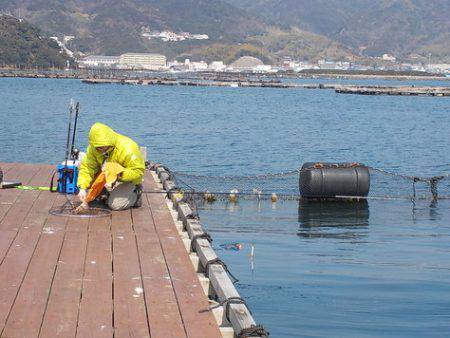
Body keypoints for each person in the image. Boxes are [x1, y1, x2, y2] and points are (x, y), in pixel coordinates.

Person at [77, 122, 145, 211]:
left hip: (127, 180)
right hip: (107, 176)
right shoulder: (93, 148)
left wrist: (119, 174)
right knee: (81, 168)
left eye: (104, 147)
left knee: (115, 205)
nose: (101, 150)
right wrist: (82, 188)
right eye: (98, 148)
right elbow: (87, 168)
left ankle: (136, 196)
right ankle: (105, 193)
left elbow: (138, 171)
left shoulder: (128, 147)